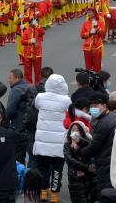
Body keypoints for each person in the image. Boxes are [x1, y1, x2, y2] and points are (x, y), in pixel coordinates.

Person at [33, 73, 71, 203]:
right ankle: (55, 194)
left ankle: (44, 192)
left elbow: (36, 107)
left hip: (42, 139)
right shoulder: (66, 100)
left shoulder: (40, 97)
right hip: (58, 141)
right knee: (57, 169)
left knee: (42, 167)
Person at [80, 92, 116, 197]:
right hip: (107, 159)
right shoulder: (103, 118)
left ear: (104, 105)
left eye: (96, 106)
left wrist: (80, 152)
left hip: (106, 161)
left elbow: (94, 146)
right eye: (91, 106)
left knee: (105, 191)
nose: (93, 108)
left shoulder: (105, 122)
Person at [64, 121, 95, 203]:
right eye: (73, 130)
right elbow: (70, 160)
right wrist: (86, 167)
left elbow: (91, 156)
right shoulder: (67, 145)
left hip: (89, 178)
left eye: (77, 130)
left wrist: (81, 142)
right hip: (75, 178)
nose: (75, 132)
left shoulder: (88, 142)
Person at [80, 7, 106, 72]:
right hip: (87, 46)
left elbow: (102, 34)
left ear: (94, 13)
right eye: (88, 12)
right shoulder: (85, 23)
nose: (89, 14)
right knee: (88, 67)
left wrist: (97, 27)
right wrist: (89, 33)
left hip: (97, 46)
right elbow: (82, 35)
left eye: (90, 12)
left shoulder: (100, 22)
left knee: (97, 66)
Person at [22, 17, 46, 84]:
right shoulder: (26, 31)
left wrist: (37, 25)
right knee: (27, 72)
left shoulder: (39, 29)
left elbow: (43, 32)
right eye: (32, 22)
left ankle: (37, 85)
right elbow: (22, 41)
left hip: (37, 53)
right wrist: (29, 41)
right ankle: (28, 85)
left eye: (35, 22)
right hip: (28, 53)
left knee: (38, 71)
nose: (33, 23)